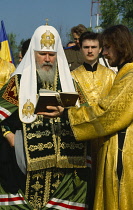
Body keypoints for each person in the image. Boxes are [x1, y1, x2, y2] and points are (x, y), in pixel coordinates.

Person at [0, 25, 91, 209]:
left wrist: (67, 112)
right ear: (33, 53)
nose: (47, 59)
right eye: (42, 54)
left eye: (52, 54)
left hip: (65, 171)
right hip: (26, 170)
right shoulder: (18, 82)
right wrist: (8, 135)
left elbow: (87, 116)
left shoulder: (70, 82)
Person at [67, 25, 133, 209]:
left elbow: (108, 112)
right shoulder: (124, 73)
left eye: (107, 47)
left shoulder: (129, 76)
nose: (104, 53)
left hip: (122, 149)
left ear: (121, 46)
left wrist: (69, 115)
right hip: (99, 143)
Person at [70, 31, 116, 192]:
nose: (90, 50)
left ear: (100, 49)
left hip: (106, 138)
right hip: (82, 139)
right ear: (80, 48)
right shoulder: (72, 77)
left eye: (94, 47)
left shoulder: (111, 76)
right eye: (86, 47)